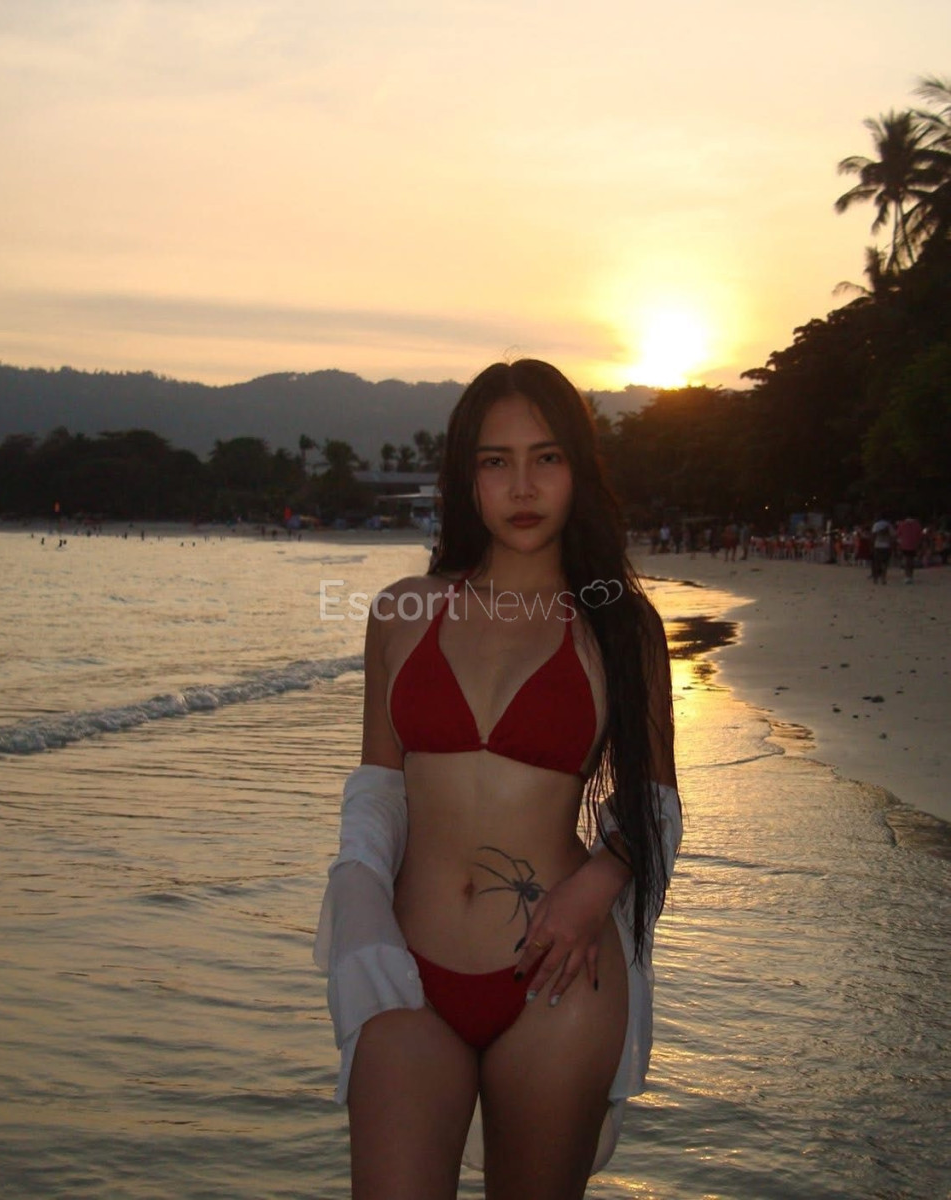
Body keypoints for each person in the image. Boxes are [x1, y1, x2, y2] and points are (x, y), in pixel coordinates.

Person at [315, 359, 681, 1200]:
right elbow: (376, 792)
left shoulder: (619, 626)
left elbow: (654, 803)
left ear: (578, 470)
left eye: (546, 458)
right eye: (495, 461)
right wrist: (358, 905)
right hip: (407, 970)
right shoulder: (403, 612)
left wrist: (598, 885)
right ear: (466, 478)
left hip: (561, 972)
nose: (522, 486)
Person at [895, 515, 923, 584]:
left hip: (904, 545)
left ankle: (907, 576)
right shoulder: (917, 525)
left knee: (906, 560)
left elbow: (898, 534)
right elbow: (920, 535)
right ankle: (911, 576)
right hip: (914, 545)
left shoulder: (902, 524)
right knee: (911, 560)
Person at [870, 515, 894, 584]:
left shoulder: (876, 525)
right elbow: (892, 536)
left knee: (877, 562)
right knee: (885, 563)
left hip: (877, 545)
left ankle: (876, 579)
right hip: (886, 546)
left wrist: (871, 545)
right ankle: (883, 578)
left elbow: (873, 536)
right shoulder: (888, 525)